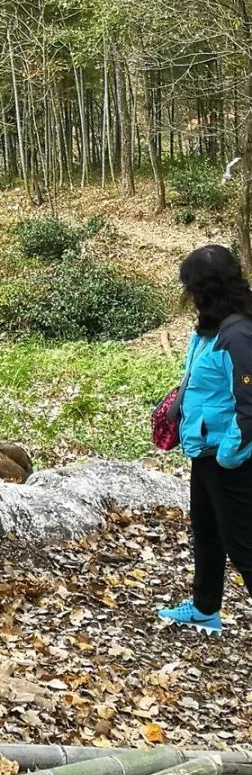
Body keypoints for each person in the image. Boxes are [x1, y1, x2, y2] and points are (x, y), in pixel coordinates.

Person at [158, 244, 252, 635]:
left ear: (205, 288)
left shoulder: (239, 333)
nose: (188, 296)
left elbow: (250, 406)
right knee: (208, 532)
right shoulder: (210, 327)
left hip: (230, 457)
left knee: (243, 545)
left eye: (191, 287)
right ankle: (204, 608)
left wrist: (230, 454)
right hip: (205, 449)